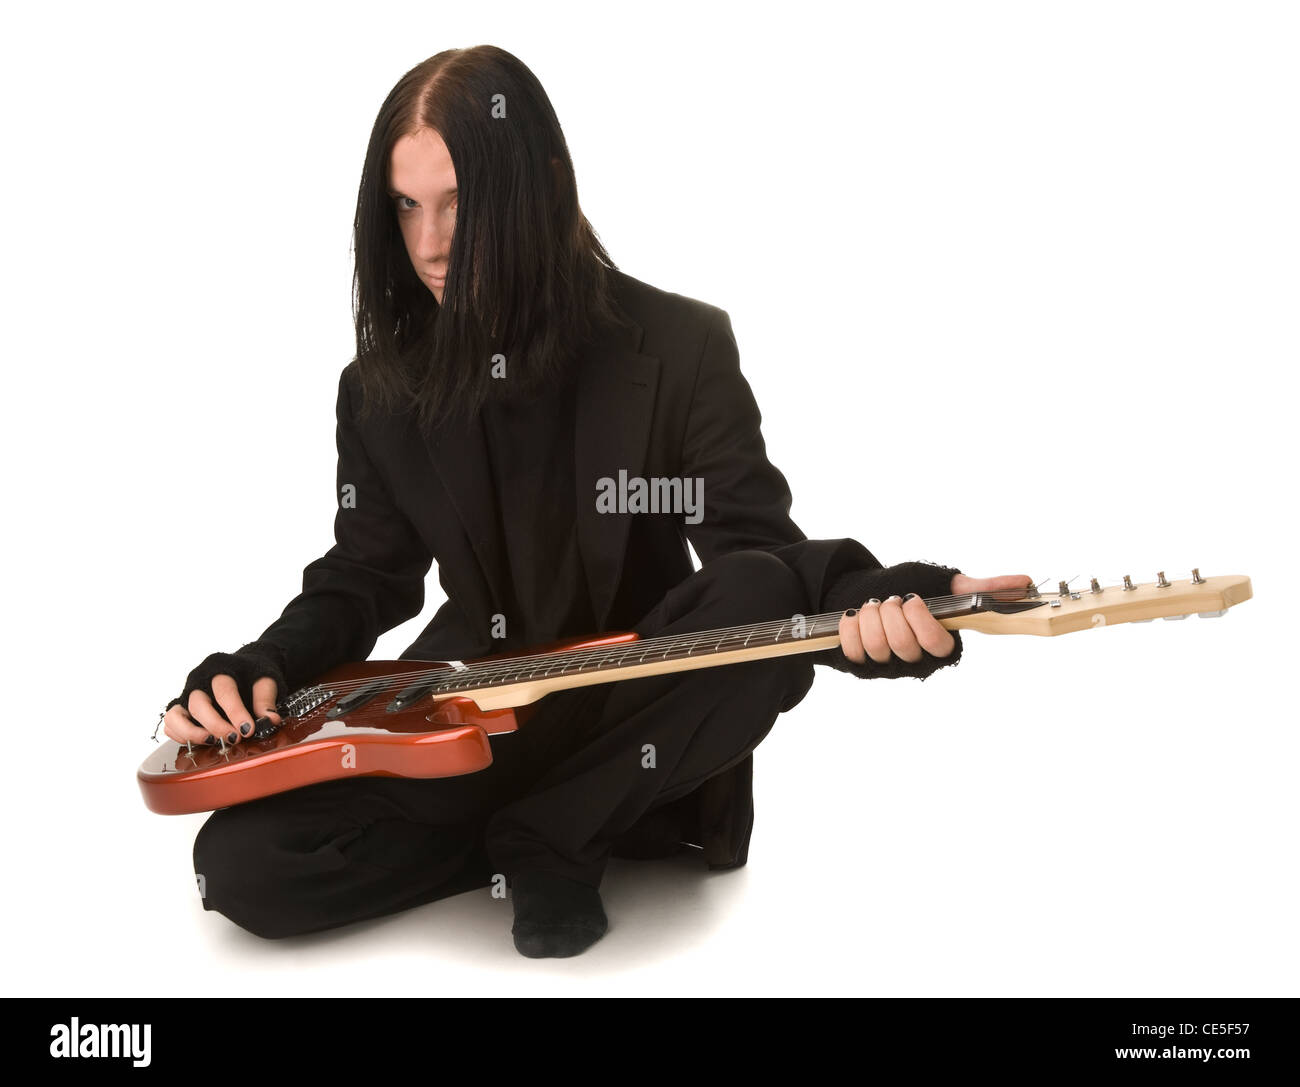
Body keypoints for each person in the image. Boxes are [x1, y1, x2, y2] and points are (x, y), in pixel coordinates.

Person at [159, 45, 1030, 958]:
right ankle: (537, 827)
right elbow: (365, 573)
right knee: (242, 862)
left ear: (535, 185)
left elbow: (759, 553)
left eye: (459, 203)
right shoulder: (379, 388)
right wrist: (257, 666)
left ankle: (555, 833)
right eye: (406, 207)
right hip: (472, 717)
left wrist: (896, 596)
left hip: (646, 706)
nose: (428, 245)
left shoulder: (681, 343)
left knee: (766, 598)